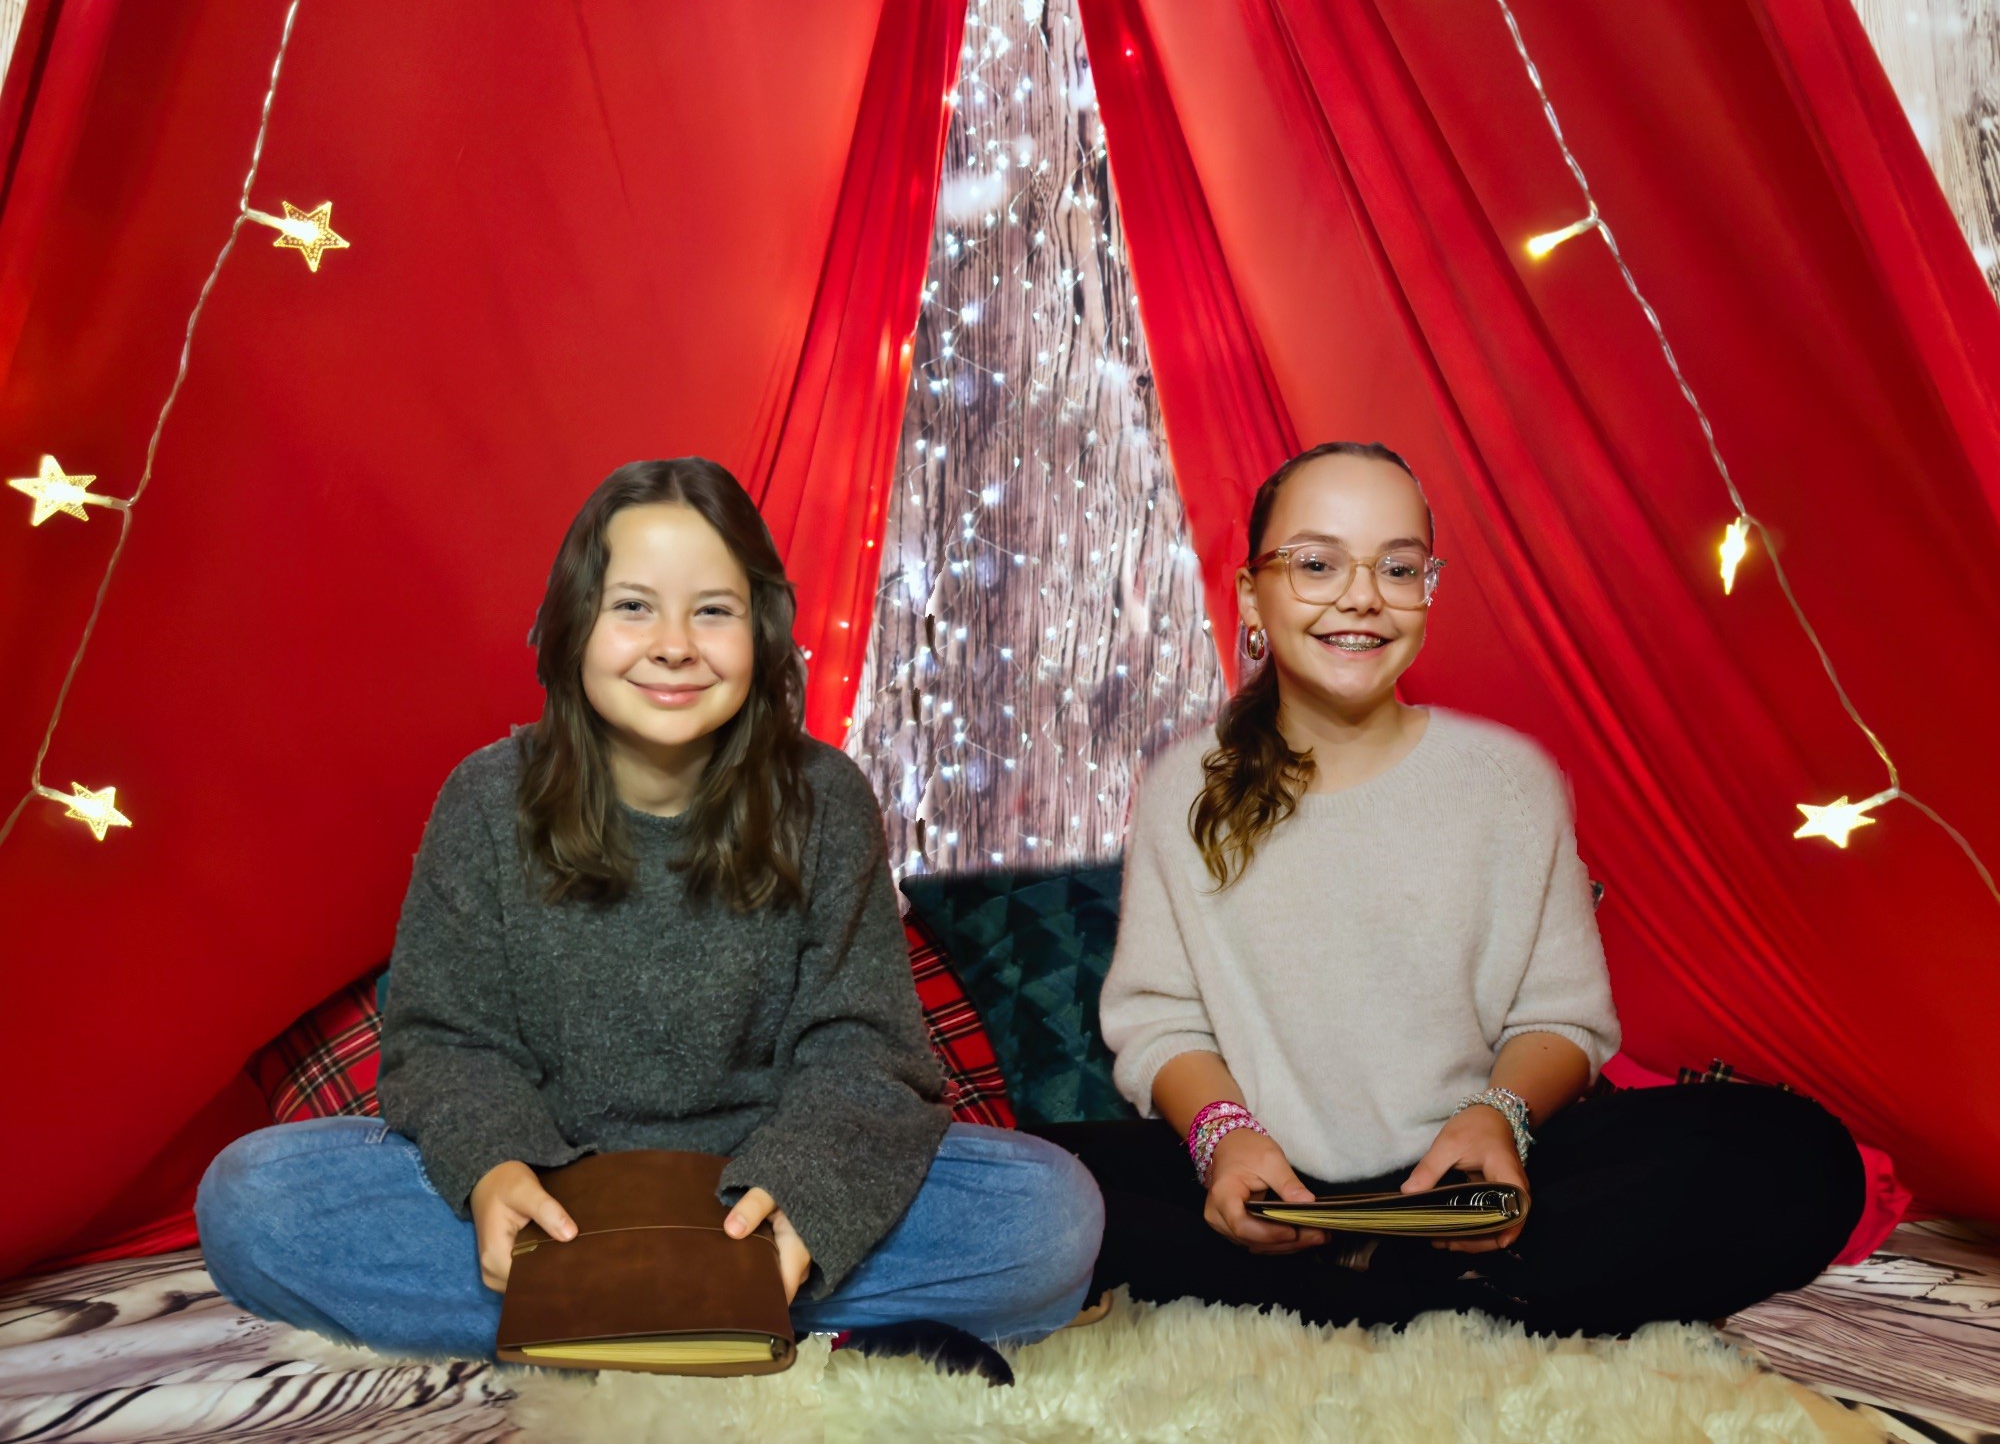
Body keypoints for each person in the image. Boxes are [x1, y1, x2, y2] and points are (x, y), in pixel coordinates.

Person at [197, 458, 1102, 1358]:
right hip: (556, 1198)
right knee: (251, 1199)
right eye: (633, 606)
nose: (674, 645)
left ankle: (658, 1303)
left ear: (762, 631)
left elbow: (863, 1045)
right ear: (574, 625)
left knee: (1052, 1218)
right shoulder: (485, 797)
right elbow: (446, 1042)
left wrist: (807, 1197)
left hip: (759, 1192)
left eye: (713, 610)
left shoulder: (826, 797)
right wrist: (493, 1170)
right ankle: (671, 1306)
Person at [1042, 441, 1863, 1337]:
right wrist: (1224, 1139)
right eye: (1317, 563)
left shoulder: (1511, 778)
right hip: (1267, 1182)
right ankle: (1440, 1293)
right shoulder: (1181, 788)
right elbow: (1160, 1021)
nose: (1362, 596)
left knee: (1804, 1156)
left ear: (1427, 590)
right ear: (1249, 594)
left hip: (1464, 1185)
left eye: (1398, 568)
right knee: (1026, 1176)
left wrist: (1497, 1118)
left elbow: (1562, 1017)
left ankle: (1380, 1282)